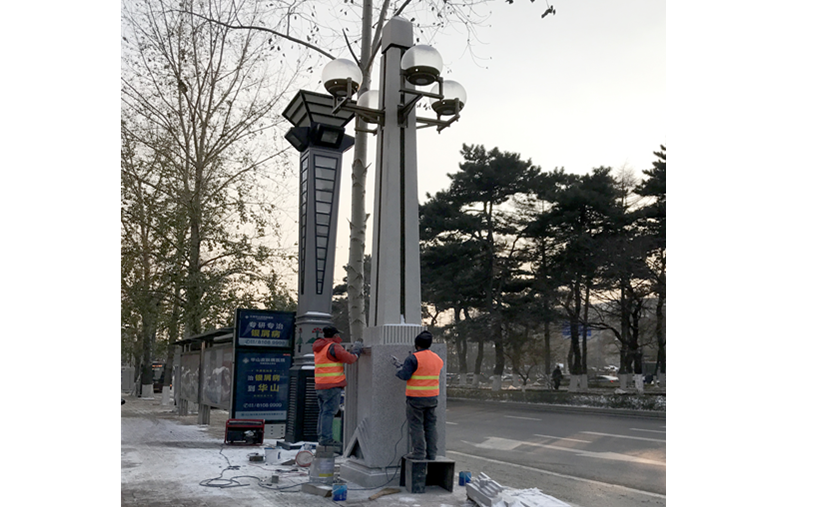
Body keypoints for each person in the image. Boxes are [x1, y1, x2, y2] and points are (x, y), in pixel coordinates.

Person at [394, 331, 444, 460]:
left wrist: (398, 369)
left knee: (416, 426)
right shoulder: (437, 358)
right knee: (430, 426)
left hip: (416, 398)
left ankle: (419, 452)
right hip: (432, 397)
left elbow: (405, 376)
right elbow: (424, 372)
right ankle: (432, 454)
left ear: (416, 344)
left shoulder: (413, 358)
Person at [313, 326, 362, 446]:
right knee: (329, 413)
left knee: (323, 412)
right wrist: (356, 351)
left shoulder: (320, 346)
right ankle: (326, 439)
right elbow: (350, 359)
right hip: (332, 385)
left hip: (320, 385)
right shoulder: (334, 346)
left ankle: (322, 437)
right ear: (335, 335)